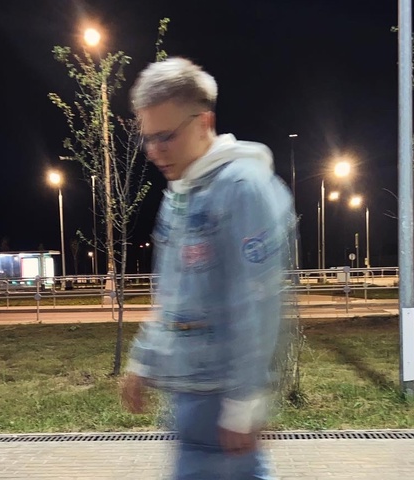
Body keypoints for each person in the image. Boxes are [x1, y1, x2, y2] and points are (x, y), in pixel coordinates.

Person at [121, 56, 297, 480]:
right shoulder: (179, 195)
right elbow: (171, 295)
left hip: (222, 399)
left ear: (204, 122)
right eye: (148, 138)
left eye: (166, 136)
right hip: (188, 394)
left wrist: (244, 403)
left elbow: (258, 301)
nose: (155, 151)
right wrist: (143, 361)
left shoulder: (243, 188)